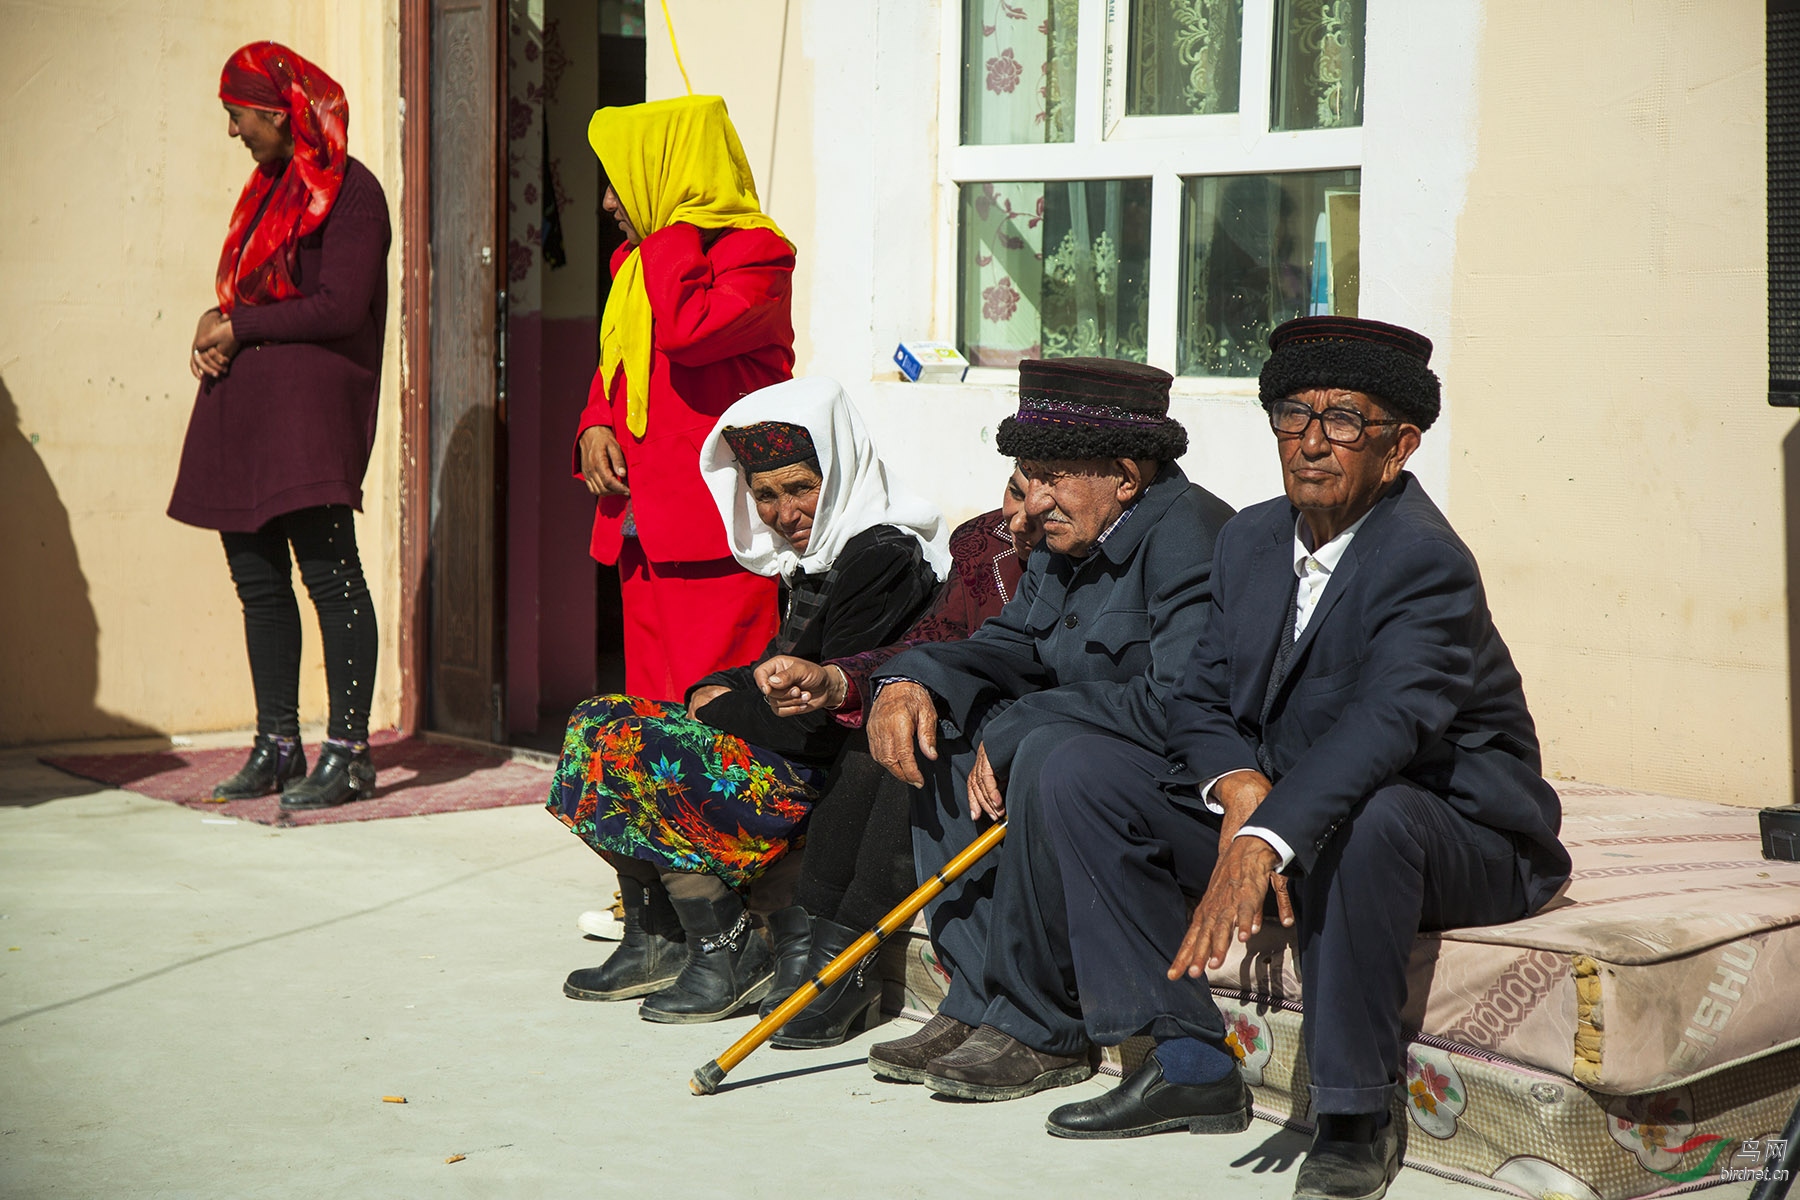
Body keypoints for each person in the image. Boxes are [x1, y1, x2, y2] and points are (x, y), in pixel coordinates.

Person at [1036, 317, 1571, 1200]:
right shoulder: (1249, 539)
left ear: (1398, 448)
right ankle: (1182, 1058)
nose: (1312, 442)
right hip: (1295, 802)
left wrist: (1264, 837)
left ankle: (1357, 1111)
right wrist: (1239, 785)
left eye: (1345, 420)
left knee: (1372, 818)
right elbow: (1199, 698)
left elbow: (1387, 725)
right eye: (1293, 415)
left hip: (1454, 826)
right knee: (1079, 772)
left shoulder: (1425, 562)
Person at [861, 358, 1237, 1101]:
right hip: (1072, 758)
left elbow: (1180, 706)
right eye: (1026, 475)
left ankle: (1042, 1027)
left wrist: (1025, 725)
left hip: (1168, 795)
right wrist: (911, 679)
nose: (1029, 504)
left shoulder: (1190, 536)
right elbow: (1014, 645)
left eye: (1052, 476)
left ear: (1126, 475)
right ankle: (977, 998)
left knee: (1036, 748)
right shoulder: (1070, 535)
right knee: (947, 730)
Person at [546, 378, 947, 1024]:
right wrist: (724, 691)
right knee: (594, 721)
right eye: (765, 494)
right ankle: (659, 935)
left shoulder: (882, 556)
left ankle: (726, 947)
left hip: (823, 779)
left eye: (800, 488)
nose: (784, 512)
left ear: (839, 474)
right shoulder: (812, 558)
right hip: (785, 750)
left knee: (639, 747)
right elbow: (770, 673)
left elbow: (820, 718)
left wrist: (714, 705)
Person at [743, 468, 1046, 1047]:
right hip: (971, 711)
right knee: (881, 727)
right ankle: (814, 947)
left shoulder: (1091, 555)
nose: (1025, 510)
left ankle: (848, 964)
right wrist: (842, 681)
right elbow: (932, 637)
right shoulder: (985, 542)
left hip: (1030, 737)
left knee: (930, 744)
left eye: (1043, 487)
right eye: (1014, 486)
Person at [169, 42, 390, 811]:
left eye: (237, 115)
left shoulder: (351, 192)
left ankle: (352, 753)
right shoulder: (267, 188)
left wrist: (240, 325)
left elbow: (338, 305)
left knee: (329, 573)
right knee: (257, 579)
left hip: (308, 416)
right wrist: (218, 321)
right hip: (249, 414)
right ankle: (277, 745)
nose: (232, 131)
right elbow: (251, 299)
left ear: (276, 109)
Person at [575, 95, 795, 704]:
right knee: (654, 709)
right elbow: (616, 364)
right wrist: (595, 424)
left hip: (712, 527)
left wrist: (673, 228)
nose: (609, 204)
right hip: (640, 519)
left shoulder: (757, 256)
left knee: (720, 712)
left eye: (622, 185)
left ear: (669, 180)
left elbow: (687, 332)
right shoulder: (640, 263)